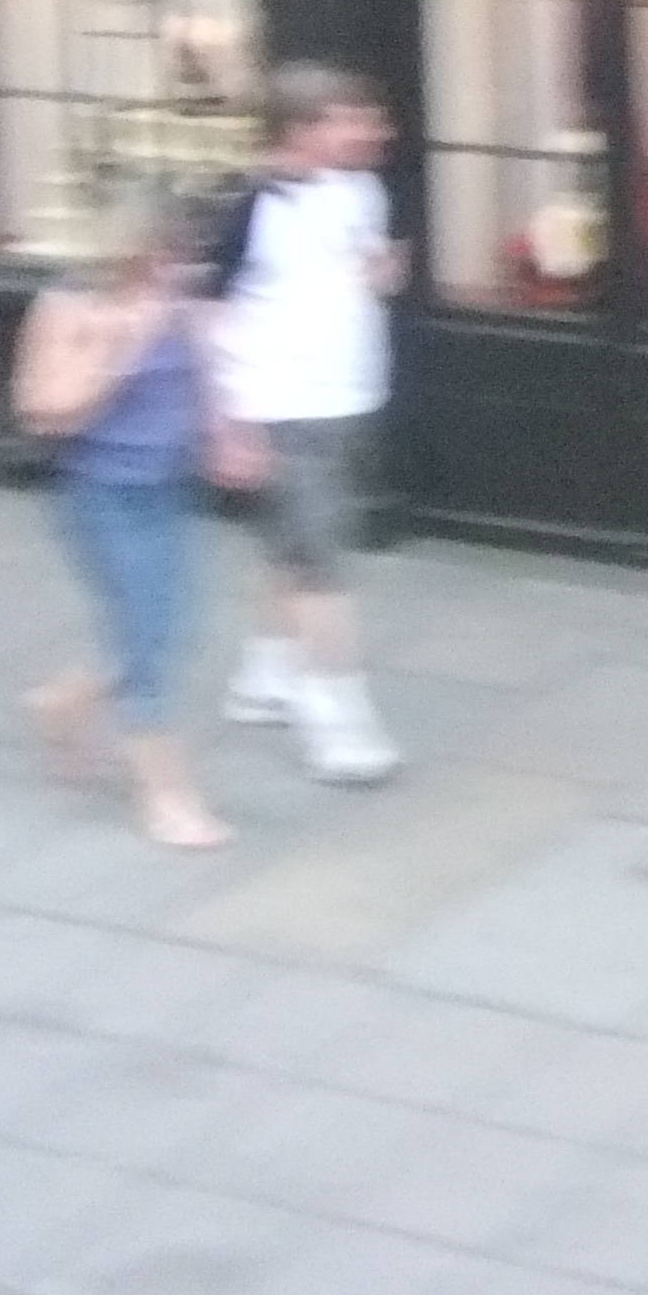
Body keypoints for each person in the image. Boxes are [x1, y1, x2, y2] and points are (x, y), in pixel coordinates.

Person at [15, 192, 249, 847]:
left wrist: (226, 437)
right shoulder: (68, 306)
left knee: (173, 630)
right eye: (166, 254)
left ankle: (62, 703)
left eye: (185, 256)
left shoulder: (178, 303)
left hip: (169, 488)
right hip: (101, 494)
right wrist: (119, 351)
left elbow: (202, 377)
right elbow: (44, 409)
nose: (179, 268)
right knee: (147, 650)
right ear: (131, 249)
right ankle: (167, 798)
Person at [207, 62, 406, 783]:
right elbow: (207, 315)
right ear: (300, 131)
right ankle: (338, 717)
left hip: (351, 396)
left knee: (293, 546)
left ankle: (265, 674)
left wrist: (384, 274)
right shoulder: (248, 209)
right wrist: (228, 422)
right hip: (282, 406)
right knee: (323, 569)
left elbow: (371, 274)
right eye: (350, 119)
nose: (374, 131)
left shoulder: (363, 189)